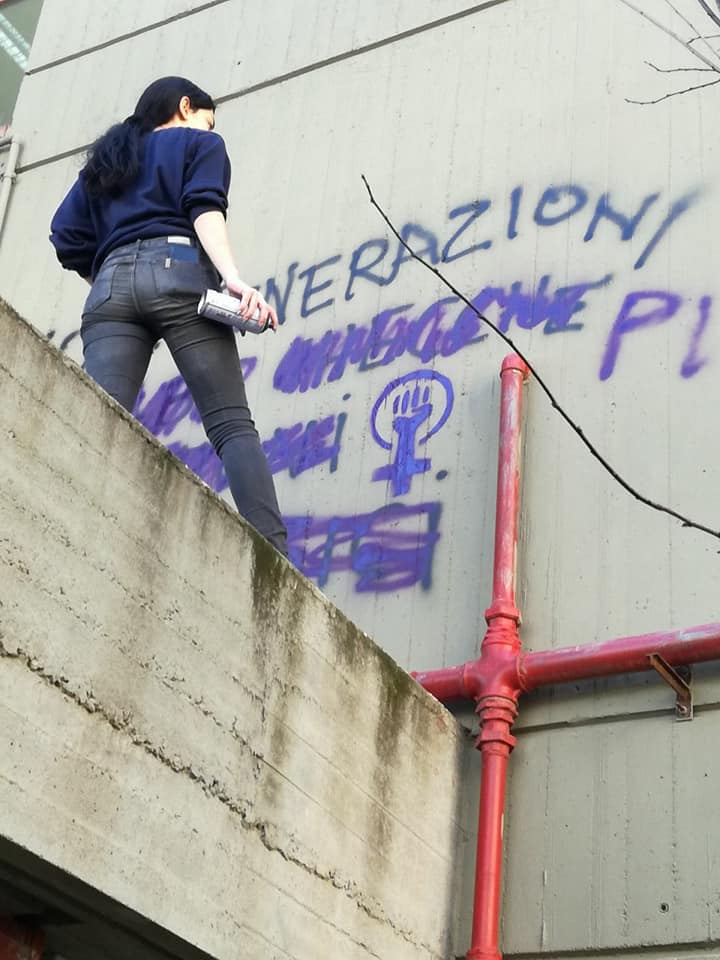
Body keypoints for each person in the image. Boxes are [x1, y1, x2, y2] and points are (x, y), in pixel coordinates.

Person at [50, 76, 288, 556]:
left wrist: (112, 271)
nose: (208, 128)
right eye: (207, 119)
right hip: (179, 273)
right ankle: (275, 556)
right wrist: (233, 279)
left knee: (95, 420)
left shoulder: (108, 162)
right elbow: (205, 210)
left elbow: (65, 235)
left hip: (110, 289)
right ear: (184, 106)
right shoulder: (199, 145)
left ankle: (60, 530)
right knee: (231, 425)